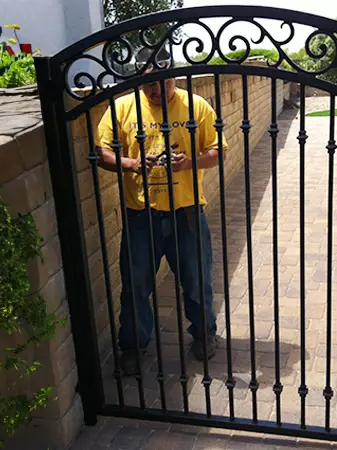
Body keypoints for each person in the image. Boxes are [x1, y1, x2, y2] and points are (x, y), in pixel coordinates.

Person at [95, 47, 222, 375]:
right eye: (148, 83)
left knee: (197, 280)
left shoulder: (196, 106)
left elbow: (217, 150)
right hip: (141, 215)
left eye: (161, 82)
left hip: (187, 212)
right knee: (135, 285)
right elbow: (102, 152)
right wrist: (133, 163)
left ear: (173, 77)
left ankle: (204, 335)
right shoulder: (122, 107)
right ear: (139, 80)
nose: (155, 90)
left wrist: (189, 163)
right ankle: (133, 346)